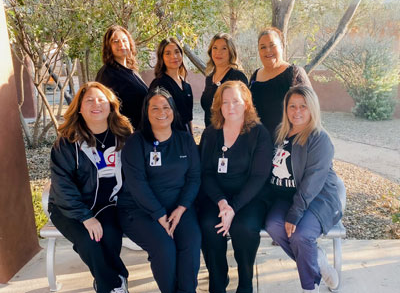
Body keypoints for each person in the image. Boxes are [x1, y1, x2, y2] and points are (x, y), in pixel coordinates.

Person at [48, 82, 133, 293]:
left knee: (110, 235)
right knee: (89, 242)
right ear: (80, 108)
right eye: (89, 100)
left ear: (111, 106)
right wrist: (85, 217)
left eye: (101, 100)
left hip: (107, 204)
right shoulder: (67, 142)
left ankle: (108, 283)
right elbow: (62, 186)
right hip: (69, 209)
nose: (96, 104)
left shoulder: (124, 135)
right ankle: (114, 283)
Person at [118, 88, 201, 293]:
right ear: (146, 111)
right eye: (154, 107)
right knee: (164, 247)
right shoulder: (135, 142)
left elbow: (194, 177)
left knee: (191, 242)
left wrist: (182, 208)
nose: (161, 112)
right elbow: (137, 184)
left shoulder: (185, 140)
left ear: (173, 110)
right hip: (139, 210)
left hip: (179, 207)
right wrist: (159, 215)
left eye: (165, 106)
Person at [264, 85, 343, 293]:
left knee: (301, 235)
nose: (296, 111)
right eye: (292, 106)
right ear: (286, 108)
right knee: (273, 226)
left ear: (312, 109)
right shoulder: (280, 133)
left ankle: (310, 287)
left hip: (318, 199)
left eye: (303, 106)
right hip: (287, 198)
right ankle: (317, 258)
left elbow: (312, 183)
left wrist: (295, 213)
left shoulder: (319, 139)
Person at [198, 81, 273, 293]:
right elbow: (206, 173)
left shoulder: (259, 133)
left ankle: (246, 281)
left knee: (245, 228)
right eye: (225, 102)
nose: (231, 107)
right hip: (216, 197)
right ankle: (218, 280)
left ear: (246, 104)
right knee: (208, 225)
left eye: (236, 101)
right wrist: (222, 203)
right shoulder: (211, 133)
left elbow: (259, 177)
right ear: (219, 106)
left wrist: (233, 207)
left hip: (250, 197)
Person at [250, 27, 312, 136]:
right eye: (262, 47)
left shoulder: (294, 73)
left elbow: (309, 110)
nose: (268, 50)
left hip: (287, 144)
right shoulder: (255, 76)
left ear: (282, 46)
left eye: (272, 45)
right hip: (260, 144)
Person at [96, 25, 148, 129]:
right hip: (126, 135)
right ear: (108, 46)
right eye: (115, 41)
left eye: (124, 40)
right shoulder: (107, 74)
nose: (121, 44)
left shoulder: (131, 70)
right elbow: (106, 110)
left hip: (142, 132)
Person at [201, 33, 248, 127]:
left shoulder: (237, 77)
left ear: (231, 52)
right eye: (215, 48)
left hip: (231, 135)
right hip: (211, 136)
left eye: (224, 48)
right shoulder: (209, 78)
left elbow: (245, 111)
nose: (218, 52)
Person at [149, 37, 194, 134]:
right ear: (162, 58)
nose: (174, 56)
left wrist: (192, 142)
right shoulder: (159, 85)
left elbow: (189, 119)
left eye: (177, 52)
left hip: (186, 138)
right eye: (168, 53)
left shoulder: (186, 85)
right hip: (169, 139)